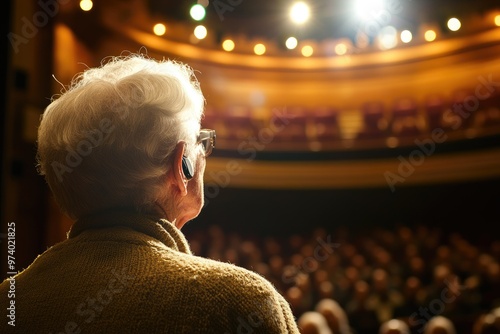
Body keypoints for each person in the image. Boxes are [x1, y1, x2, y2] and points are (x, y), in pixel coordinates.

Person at [0, 53, 300, 333]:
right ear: (180, 166)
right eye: (201, 143)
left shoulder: (8, 302)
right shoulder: (238, 303)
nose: (204, 155)